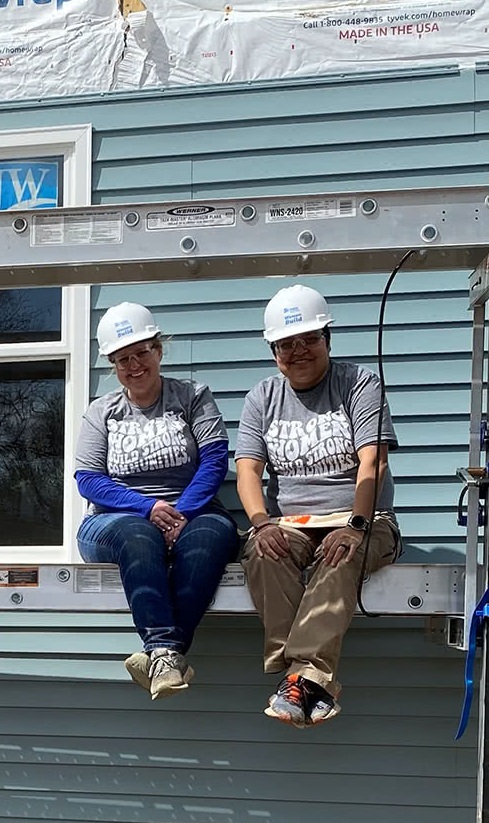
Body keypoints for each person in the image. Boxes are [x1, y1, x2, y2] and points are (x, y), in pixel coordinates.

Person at [236, 285, 400, 728]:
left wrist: (357, 525)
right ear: (274, 351)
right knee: (263, 552)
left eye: (309, 339)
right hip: (293, 521)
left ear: (328, 338)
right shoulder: (262, 397)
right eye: (286, 344)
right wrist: (260, 524)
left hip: (363, 518)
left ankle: (303, 680)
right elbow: (249, 471)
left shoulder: (357, 382)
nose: (298, 351)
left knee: (339, 555)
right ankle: (305, 679)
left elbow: (374, 460)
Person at [74, 302, 240, 700]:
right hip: (116, 519)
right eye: (122, 358)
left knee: (213, 537)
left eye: (141, 353)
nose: (133, 365)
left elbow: (215, 460)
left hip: (194, 512)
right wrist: (148, 509)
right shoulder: (102, 412)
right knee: (137, 535)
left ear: (159, 351)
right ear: (113, 365)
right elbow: (88, 480)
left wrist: (180, 512)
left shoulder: (193, 397)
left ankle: (162, 656)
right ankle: (168, 648)